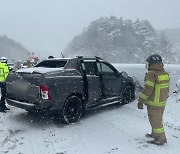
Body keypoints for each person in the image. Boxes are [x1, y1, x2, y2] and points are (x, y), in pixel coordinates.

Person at [138, 54, 170, 145]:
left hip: (154, 102)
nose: (147, 64)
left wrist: (141, 100)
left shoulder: (151, 74)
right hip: (162, 101)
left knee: (155, 120)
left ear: (151, 63)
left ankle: (161, 138)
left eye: (148, 63)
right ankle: (155, 134)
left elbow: (148, 89)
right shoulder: (165, 73)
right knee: (157, 119)